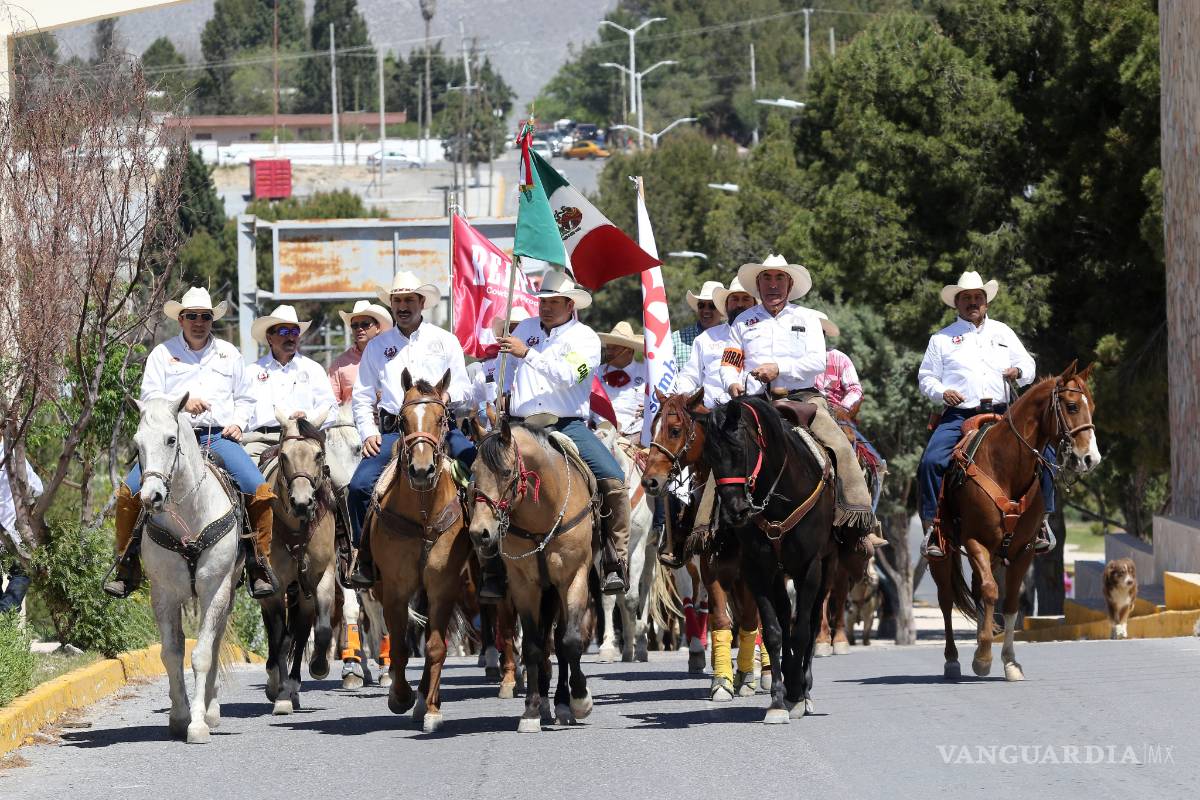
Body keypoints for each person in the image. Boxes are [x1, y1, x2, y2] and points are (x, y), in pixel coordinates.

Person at [103, 287, 278, 599]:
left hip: (217, 437)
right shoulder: (162, 353)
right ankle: (126, 564)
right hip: (172, 441)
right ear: (181, 319)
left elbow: (247, 397)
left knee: (259, 488)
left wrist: (238, 423)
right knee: (128, 493)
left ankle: (257, 563)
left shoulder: (229, 353)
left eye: (206, 316)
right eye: (193, 316)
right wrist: (182, 405)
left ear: (212, 319)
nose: (200, 321)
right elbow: (149, 400)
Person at [719, 255, 878, 542]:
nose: (773, 285)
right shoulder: (743, 321)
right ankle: (707, 529)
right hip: (756, 401)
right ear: (758, 285)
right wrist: (731, 383)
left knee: (840, 445)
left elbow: (817, 361)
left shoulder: (807, 318)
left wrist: (779, 369)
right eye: (766, 279)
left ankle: (857, 517)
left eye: (779, 278)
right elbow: (730, 362)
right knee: (724, 449)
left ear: (790, 284)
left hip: (804, 398)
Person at [497, 270, 630, 594]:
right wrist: (500, 393)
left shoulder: (585, 338)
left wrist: (527, 354)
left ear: (570, 304)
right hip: (520, 425)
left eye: (554, 302)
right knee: (482, 481)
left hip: (566, 424)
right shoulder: (525, 329)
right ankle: (490, 564)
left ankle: (615, 559)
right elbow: (507, 371)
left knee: (613, 480)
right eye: (543, 301)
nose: (546, 307)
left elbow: (569, 376)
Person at [346, 272, 475, 588]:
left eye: (408, 300)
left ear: (422, 303)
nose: (403, 306)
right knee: (359, 487)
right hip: (394, 432)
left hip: (441, 429)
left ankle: (485, 553)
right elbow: (362, 395)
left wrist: (445, 397)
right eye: (397, 300)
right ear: (391, 304)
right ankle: (364, 557)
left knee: (479, 474)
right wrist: (367, 433)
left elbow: (465, 388)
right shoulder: (378, 347)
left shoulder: (445, 340)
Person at [916, 270, 1054, 559]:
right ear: (957, 303)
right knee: (930, 461)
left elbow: (1028, 364)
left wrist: (1019, 372)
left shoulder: (1003, 332)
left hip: (1005, 414)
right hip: (958, 415)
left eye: (978, 297)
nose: (973, 302)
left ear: (986, 302)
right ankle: (933, 527)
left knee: (1047, 456)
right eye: (966, 298)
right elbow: (926, 378)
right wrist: (942, 393)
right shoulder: (941, 339)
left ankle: (1042, 522)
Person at [811, 311, 886, 511]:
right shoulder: (792, 360)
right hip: (803, 411)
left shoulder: (838, 358)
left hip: (835, 416)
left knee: (872, 461)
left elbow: (854, 389)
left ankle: (861, 511)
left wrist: (842, 409)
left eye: (817, 332)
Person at [243, 304, 338, 461]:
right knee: (247, 481)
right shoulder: (252, 372)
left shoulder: (313, 369)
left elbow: (331, 409)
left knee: (344, 482)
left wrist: (307, 416)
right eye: (283, 331)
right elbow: (242, 410)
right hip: (262, 441)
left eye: (294, 332)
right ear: (269, 337)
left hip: (306, 439)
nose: (291, 337)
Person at [0, 446, 42, 613]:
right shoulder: (12, 454)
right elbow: (37, 487)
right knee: (23, 572)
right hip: (11, 532)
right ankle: (4, 617)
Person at [329, 300, 393, 404]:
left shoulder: (391, 357)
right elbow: (331, 402)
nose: (359, 329)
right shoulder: (339, 364)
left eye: (365, 324)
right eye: (355, 326)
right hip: (351, 419)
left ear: (377, 328)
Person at [594, 321, 648, 438]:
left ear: (629, 351)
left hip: (637, 435)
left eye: (614, 348)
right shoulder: (595, 372)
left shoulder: (647, 372)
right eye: (608, 348)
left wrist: (651, 405)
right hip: (600, 433)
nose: (609, 352)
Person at [672, 280, 725, 367]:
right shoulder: (677, 339)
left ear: (721, 310)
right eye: (701, 305)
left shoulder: (732, 338)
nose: (706, 310)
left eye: (712, 306)